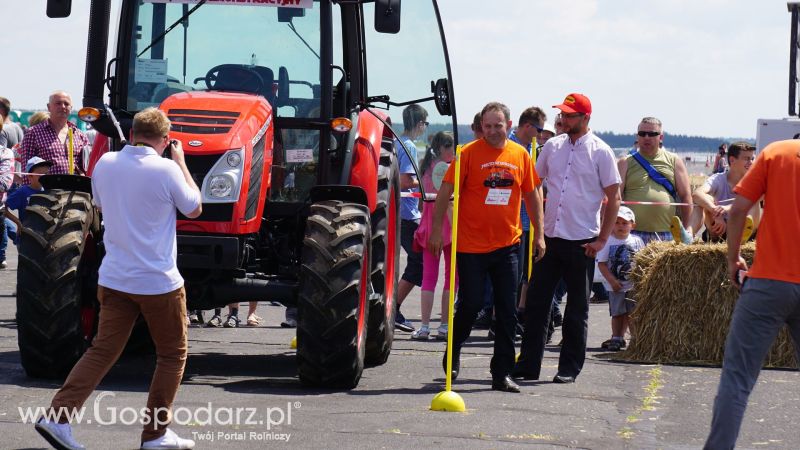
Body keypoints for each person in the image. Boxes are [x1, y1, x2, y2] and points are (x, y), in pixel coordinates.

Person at [35, 107, 201, 450]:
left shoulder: (106, 164)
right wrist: (181, 161)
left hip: (114, 278)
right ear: (165, 139)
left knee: (101, 351)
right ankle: (155, 434)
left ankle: (57, 417)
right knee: (171, 355)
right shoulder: (168, 168)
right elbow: (194, 207)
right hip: (158, 281)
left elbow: (100, 202)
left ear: (134, 132)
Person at [428, 101, 545, 393]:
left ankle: (501, 373)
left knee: (507, 311)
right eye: (488, 126)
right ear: (482, 126)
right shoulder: (467, 154)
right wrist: (435, 230)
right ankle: (453, 352)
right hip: (470, 246)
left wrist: (540, 234)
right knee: (470, 304)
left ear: (509, 126)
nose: (492, 131)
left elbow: (532, 196)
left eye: (498, 126)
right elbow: (444, 193)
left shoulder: (520, 155)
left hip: (508, 245)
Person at [514, 93, 621, 384]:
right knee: (536, 304)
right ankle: (527, 365)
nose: (563, 119)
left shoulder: (601, 151)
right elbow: (533, 183)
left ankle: (569, 367)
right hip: (550, 238)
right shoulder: (552, 145)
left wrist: (601, 240)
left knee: (577, 308)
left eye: (570, 115)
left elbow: (614, 198)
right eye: (562, 114)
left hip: (582, 242)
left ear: (585, 118)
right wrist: (536, 226)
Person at [704, 139, 800, 449]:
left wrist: (733, 258)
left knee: (737, 379)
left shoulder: (777, 153)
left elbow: (739, 209)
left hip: (769, 280)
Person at [618, 117, 693, 245]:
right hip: (631, 235)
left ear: (661, 137)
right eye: (642, 134)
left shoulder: (674, 161)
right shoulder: (625, 162)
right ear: (637, 136)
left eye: (652, 134)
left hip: (667, 233)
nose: (646, 137)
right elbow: (615, 198)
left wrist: (687, 229)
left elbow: (686, 197)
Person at [411, 131, 456, 340]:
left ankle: (425, 326)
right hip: (446, 226)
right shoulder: (446, 169)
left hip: (428, 227)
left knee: (429, 278)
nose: (453, 151)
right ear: (441, 148)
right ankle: (445, 326)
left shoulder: (426, 168)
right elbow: (448, 202)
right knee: (451, 278)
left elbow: (422, 204)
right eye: (450, 147)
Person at [508, 107, 546, 335]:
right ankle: (503, 323)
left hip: (524, 221)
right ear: (528, 127)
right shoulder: (514, 149)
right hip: (512, 224)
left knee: (521, 275)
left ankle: (510, 321)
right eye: (539, 130)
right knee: (510, 278)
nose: (540, 135)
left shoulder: (529, 149)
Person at [394, 104, 429, 333]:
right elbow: (406, 181)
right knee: (418, 263)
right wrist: (425, 180)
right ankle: (393, 308)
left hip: (401, 213)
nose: (425, 128)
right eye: (425, 124)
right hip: (408, 214)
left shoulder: (397, 142)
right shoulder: (409, 146)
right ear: (418, 124)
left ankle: (392, 307)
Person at [596, 206, 645, 351]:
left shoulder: (637, 241)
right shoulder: (608, 242)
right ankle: (617, 337)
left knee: (633, 313)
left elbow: (643, 261)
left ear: (632, 225)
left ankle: (635, 339)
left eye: (625, 223)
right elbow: (602, 264)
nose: (620, 226)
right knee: (617, 313)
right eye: (617, 222)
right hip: (615, 286)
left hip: (632, 285)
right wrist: (612, 280)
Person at [691, 141, 760, 241]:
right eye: (747, 159)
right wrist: (715, 211)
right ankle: (688, 235)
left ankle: (743, 236)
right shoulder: (718, 179)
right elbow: (696, 194)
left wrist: (726, 208)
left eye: (752, 158)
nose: (751, 162)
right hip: (719, 230)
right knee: (704, 199)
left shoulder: (754, 181)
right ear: (732, 160)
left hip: (745, 229)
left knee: (755, 200)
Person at [20, 91, 90, 177]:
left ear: (71, 108)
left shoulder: (79, 135)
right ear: (49, 107)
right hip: (47, 188)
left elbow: (88, 165)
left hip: (75, 188)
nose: (63, 107)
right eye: (58, 103)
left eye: (66, 104)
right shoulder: (33, 133)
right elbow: (26, 170)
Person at [4, 157, 53, 237]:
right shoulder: (22, 192)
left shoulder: (49, 191)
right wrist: (18, 223)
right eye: (40, 175)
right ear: (30, 176)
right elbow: (3, 208)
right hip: (27, 237)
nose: (45, 178)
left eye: (47, 174)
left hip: (45, 236)